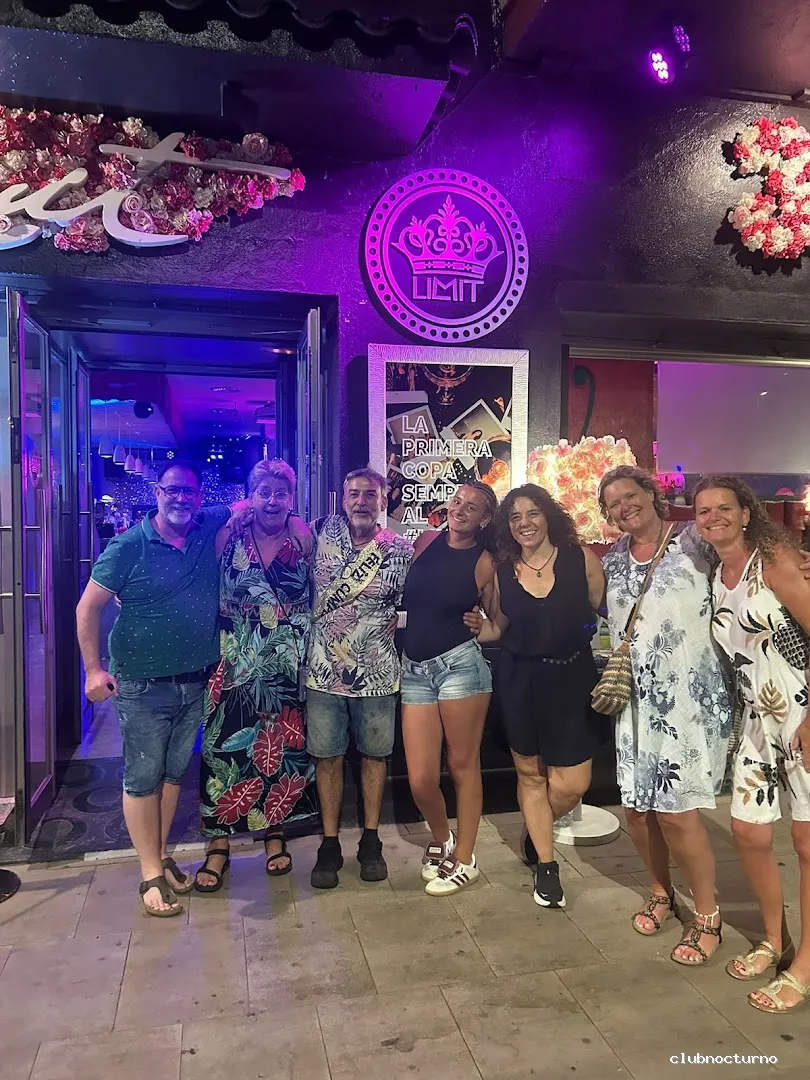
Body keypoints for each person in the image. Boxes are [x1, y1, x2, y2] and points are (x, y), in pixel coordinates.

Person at [76, 462, 239, 917]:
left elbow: (249, 503)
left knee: (171, 776)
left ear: (199, 497)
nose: (181, 499)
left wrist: (293, 519)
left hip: (194, 680)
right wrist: (93, 671)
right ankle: (149, 874)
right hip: (142, 684)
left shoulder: (206, 525)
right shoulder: (129, 545)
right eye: (172, 490)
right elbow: (87, 609)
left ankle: (162, 856)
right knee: (143, 778)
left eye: (189, 492)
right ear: (157, 492)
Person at [599, 466, 732, 964]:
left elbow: (750, 565)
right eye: (613, 503)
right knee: (637, 809)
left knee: (677, 812)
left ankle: (708, 916)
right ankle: (660, 891)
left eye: (630, 495)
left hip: (687, 701)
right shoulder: (612, 560)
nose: (624, 507)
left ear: (652, 494)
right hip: (636, 701)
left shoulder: (695, 541)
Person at [695, 475, 810, 1013]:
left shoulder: (775, 561)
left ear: (747, 513)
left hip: (801, 713)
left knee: (807, 844)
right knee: (748, 831)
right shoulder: (717, 575)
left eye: (724, 507)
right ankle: (774, 938)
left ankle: (805, 965)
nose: (713, 516)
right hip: (758, 720)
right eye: (703, 510)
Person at [473, 484, 609, 909]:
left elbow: (604, 611)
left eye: (532, 513)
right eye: (515, 517)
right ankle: (547, 866)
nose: (524, 523)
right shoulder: (503, 570)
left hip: (573, 680)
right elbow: (499, 627)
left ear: (548, 515)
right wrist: (475, 628)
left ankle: (537, 828)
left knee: (572, 784)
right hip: (521, 681)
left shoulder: (581, 559)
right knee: (531, 776)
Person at [194, 460, 316, 894]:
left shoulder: (303, 538)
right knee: (221, 750)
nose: (272, 501)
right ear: (251, 496)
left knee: (278, 749)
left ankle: (274, 833)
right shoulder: (228, 535)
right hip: (234, 656)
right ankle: (218, 843)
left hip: (283, 660)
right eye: (263, 492)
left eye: (281, 493)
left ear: (292, 499)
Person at [306, 468, 413, 889]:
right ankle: (329, 842)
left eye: (370, 494)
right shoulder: (318, 534)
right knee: (327, 757)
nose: (361, 501)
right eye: (354, 494)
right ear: (343, 498)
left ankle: (371, 839)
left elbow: (415, 603)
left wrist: (398, 621)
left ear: (384, 501)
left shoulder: (399, 549)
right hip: (322, 672)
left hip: (378, 674)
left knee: (374, 756)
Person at [400, 482, 498, 895]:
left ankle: (466, 858)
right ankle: (443, 839)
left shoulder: (485, 561)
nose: (460, 509)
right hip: (414, 669)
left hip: (460, 667)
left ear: (484, 519)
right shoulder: (424, 541)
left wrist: (482, 628)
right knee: (420, 779)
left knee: (462, 766)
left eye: (472, 507)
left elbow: (499, 623)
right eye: (457, 501)